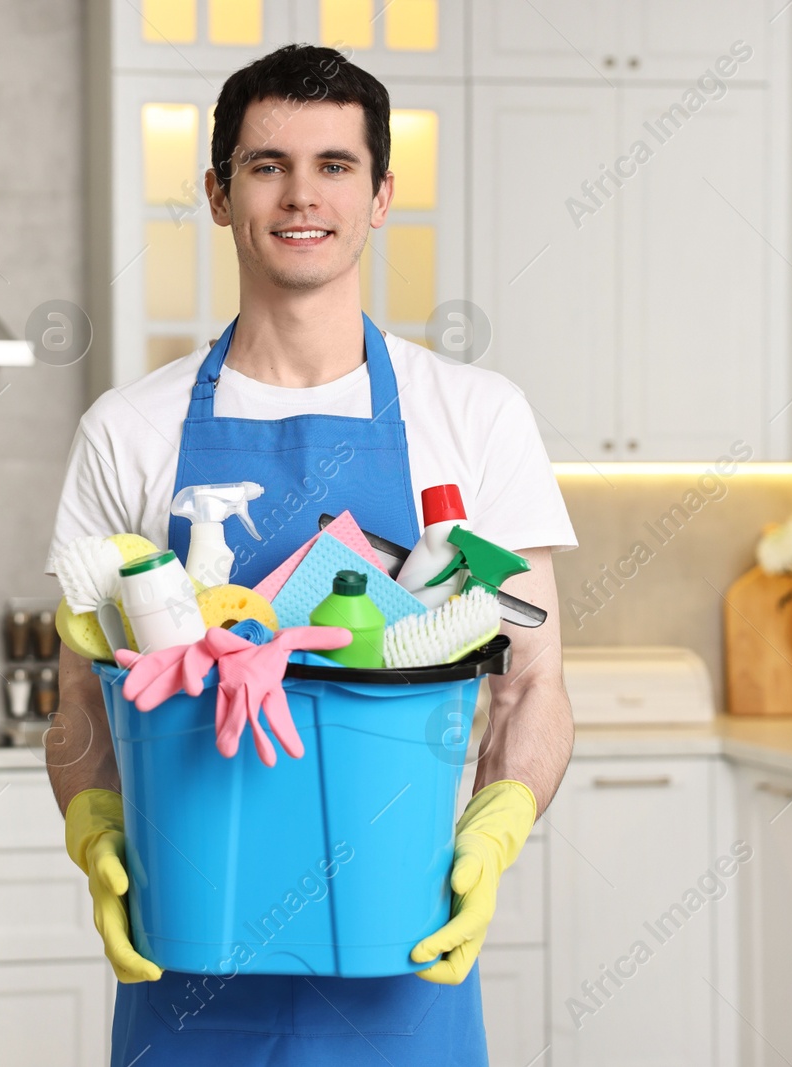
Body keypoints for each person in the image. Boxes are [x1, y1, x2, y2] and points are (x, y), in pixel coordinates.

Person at [45, 43, 577, 1065]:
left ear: (380, 195)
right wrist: (96, 822)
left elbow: (532, 681)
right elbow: (79, 699)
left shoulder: (474, 413)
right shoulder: (129, 427)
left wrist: (499, 820)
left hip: (402, 953)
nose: (303, 194)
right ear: (216, 192)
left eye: (335, 165)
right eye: (265, 164)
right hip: (189, 964)